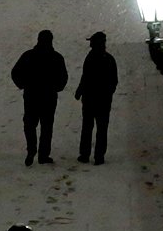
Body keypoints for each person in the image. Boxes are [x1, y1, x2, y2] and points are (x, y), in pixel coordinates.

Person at [11, 30, 68, 165]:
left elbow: (15, 72)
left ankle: (31, 149)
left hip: (31, 96)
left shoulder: (28, 55)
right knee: (47, 126)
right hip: (49, 97)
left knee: (30, 124)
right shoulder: (56, 57)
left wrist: (23, 85)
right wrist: (56, 88)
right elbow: (63, 77)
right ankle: (43, 155)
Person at [74, 32, 118, 165]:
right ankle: (99, 156)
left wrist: (81, 91)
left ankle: (85, 154)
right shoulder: (109, 59)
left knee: (87, 127)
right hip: (103, 100)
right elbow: (113, 81)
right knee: (101, 128)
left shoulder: (91, 57)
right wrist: (107, 94)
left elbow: (86, 76)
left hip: (90, 99)